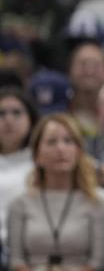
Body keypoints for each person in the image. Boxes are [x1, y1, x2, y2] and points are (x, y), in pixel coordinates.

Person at [7, 113, 104, 271]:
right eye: (51, 142)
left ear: (79, 151)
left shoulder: (99, 200)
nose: (61, 149)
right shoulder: (19, 203)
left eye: (68, 141)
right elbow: (16, 262)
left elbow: (99, 263)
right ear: (36, 155)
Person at [0, 87, 38, 264]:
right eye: (1, 113)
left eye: (16, 113)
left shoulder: (44, 158)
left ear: (31, 119)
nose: (8, 120)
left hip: (29, 249)